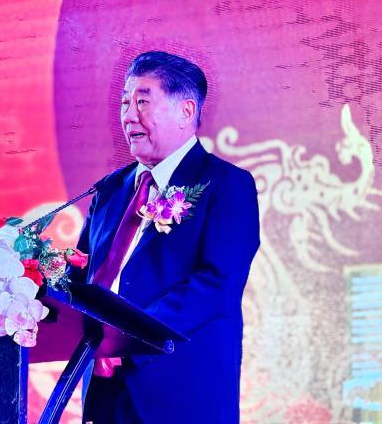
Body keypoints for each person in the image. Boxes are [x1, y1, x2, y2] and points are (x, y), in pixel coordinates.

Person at [77, 51, 260, 423]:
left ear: (186, 111)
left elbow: (217, 283)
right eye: (125, 103)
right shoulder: (110, 190)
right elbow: (80, 274)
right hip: (106, 392)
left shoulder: (225, 185)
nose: (129, 115)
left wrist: (126, 336)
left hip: (181, 395)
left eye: (143, 101)